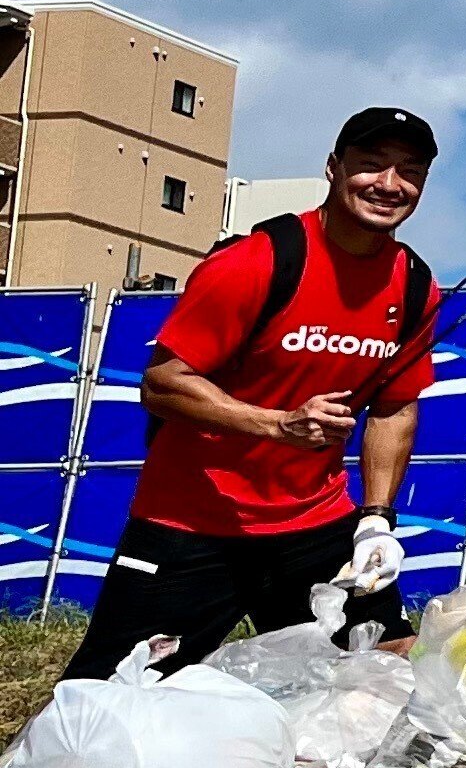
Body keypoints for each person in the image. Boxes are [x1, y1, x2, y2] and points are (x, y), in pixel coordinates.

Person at [65, 106, 442, 679]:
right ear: (334, 168)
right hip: (191, 523)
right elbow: (163, 384)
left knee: (383, 682)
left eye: (409, 172)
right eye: (371, 165)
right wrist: (278, 424)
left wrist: (376, 521)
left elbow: (394, 406)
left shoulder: (415, 285)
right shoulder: (257, 261)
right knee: (110, 696)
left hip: (318, 525)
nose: (389, 185)